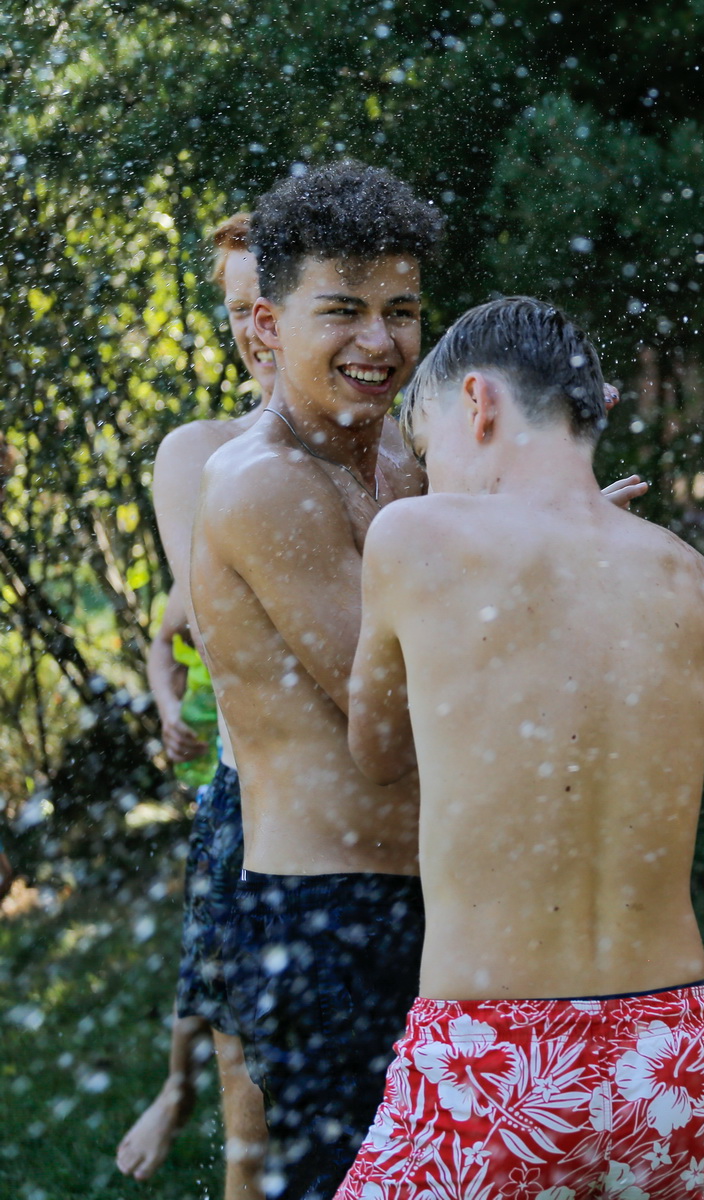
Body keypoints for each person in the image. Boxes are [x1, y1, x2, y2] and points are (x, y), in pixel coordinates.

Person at [333, 296, 704, 1199]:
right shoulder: (687, 578)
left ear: (478, 403)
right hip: (665, 1064)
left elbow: (377, 749)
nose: (431, 483)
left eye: (428, 455)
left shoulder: (414, 536)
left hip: (494, 1057)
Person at [188, 161, 440, 1200]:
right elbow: (400, 717)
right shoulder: (267, 485)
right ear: (267, 324)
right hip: (326, 920)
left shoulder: (399, 465)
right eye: (342, 310)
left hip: (429, 900)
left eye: (401, 311)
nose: (378, 341)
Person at [118, 212, 274, 1194]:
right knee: (236, 1043)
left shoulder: (400, 450)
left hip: (388, 805)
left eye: (268, 304)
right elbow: (200, 620)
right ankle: (183, 1095)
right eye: (236, 310)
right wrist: (165, 697)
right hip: (251, 788)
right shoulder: (204, 453)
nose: (253, 331)